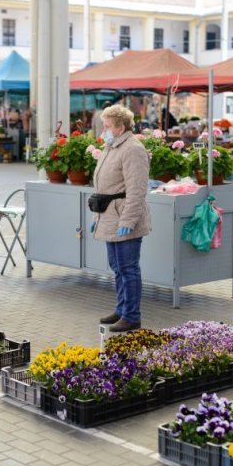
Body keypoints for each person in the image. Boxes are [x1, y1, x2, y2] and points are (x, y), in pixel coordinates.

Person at [90, 105, 152, 333]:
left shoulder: (133, 149)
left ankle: (132, 316)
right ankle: (121, 309)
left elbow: (136, 190)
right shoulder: (112, 146)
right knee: (117, 267)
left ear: (120, 127)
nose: (103, 130)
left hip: (124, 215)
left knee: (128, 268)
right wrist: (98, 217)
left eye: (107, 126)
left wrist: (128, 221)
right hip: (109, 214)